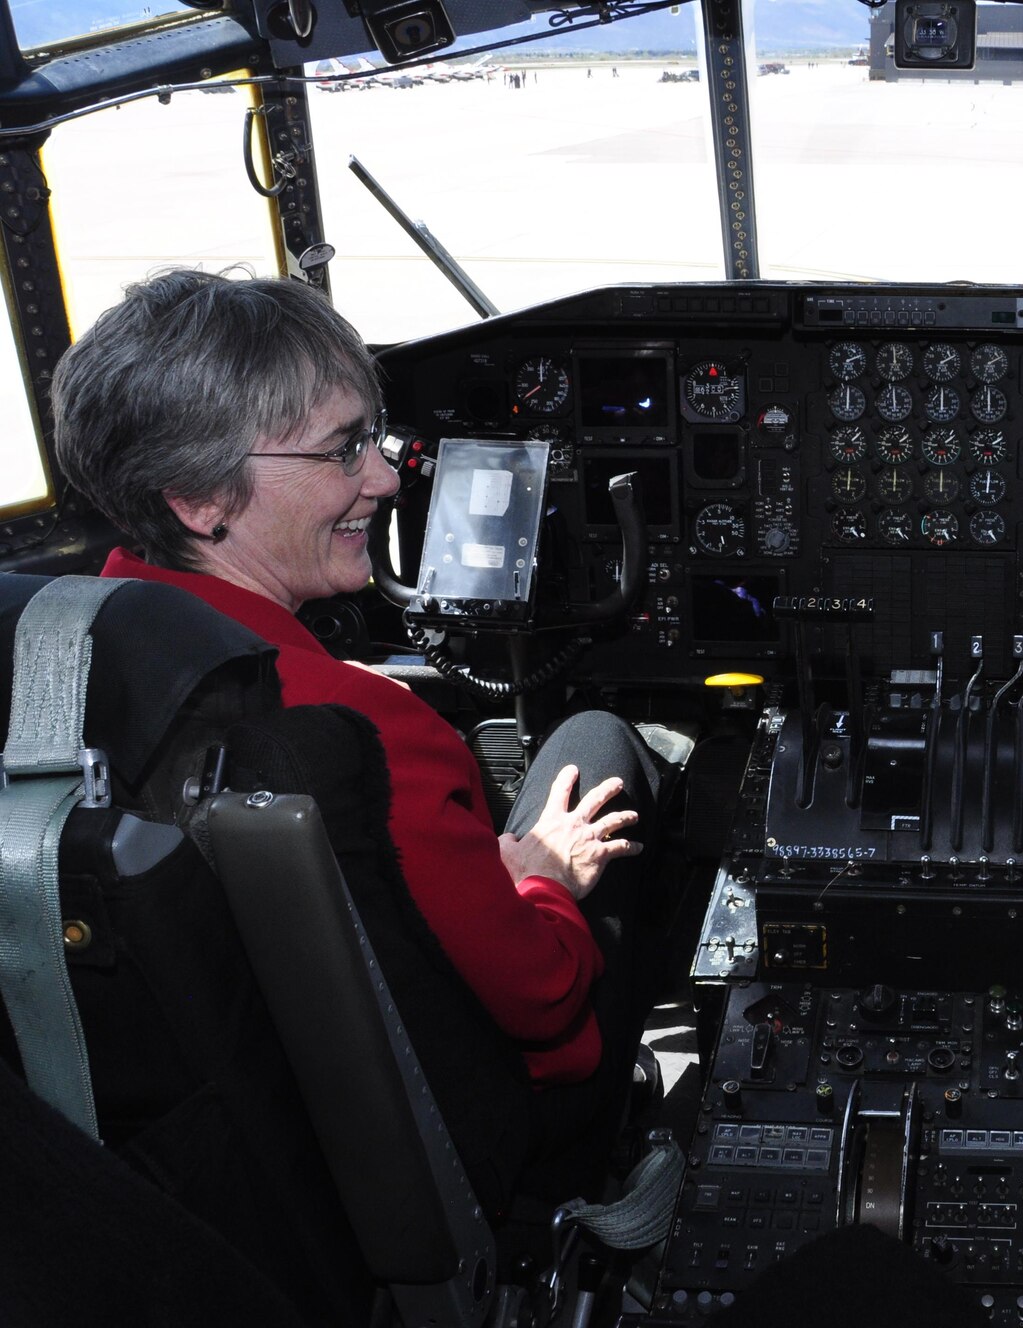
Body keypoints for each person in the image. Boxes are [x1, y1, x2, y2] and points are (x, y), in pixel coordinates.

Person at [50, 268, 668, 1191]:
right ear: (197, 497)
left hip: (210, 1149)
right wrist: (538, 881)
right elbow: (540, 997)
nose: (385, 477)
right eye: (343, 451)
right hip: (463, 1144)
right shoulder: (361, 728)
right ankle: (621, 1146)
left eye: (373, 440)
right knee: (601, 744)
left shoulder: (52, 666)